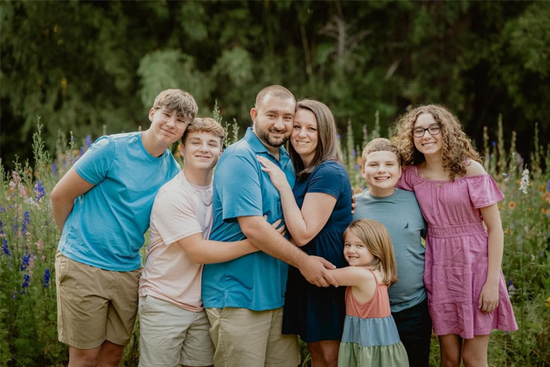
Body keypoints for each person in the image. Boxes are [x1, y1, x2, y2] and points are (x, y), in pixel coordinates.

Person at [51, 89, 197, 367]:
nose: (171, 123)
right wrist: (72, 242)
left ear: (184, 131)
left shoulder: (172, 173)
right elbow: (60, 196)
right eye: (166, 114)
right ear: (152, 114)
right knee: (84, 357)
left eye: (180, 120)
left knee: (112, 356)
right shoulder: (112, 149)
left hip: (128, 271)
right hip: (83, 263)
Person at [201, 86, 339, 367]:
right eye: (272, 115)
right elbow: (253, 228)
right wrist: (305, 263)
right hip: (239, 297)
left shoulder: (287, 162)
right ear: (254, 114)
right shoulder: (240, 158)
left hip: (277, 298)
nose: (280, 125)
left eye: (287, 118)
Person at [138, 118, 286, 367]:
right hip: (166, 300)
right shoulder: (174, 194)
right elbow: (199, 251)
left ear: (221, 151)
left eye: (212, 144)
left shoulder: (221, 188)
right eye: (195, 142)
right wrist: (260, 242)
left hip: (202, 303)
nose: (204, 149)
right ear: (181, 149)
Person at [394, 104, 518, 367]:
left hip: (477, 268)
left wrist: (491, 283)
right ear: (411, 136)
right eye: (418, 130)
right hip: (439, 269)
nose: (426, 135)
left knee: (472, 358)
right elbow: (381, 190)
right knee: (449, 360)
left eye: (433, 128)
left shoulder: (470, 170)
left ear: (445, 131)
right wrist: (353, 202)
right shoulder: (411, 175)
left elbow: (495, 229)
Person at [257, 99, 352, 367]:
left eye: (311, 128)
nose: (301, 134)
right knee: (317, 353)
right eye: (296, 126)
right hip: (304, 270)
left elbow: (302, 234)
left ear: (325, 133)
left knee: (332, 357)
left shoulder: (328, 171)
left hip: (326, 269)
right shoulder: (300, 172)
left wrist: (282, 186)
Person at [352, 138, 431, 367]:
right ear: (363, 169)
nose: (381, 170)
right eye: (374, 165)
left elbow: (438, 242)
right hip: (368, 308)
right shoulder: (352, 207)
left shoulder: (417, 202)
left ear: (400, 170)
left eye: (389, 164)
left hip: (412, 306)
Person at [331, 219, 409, 367]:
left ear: (376, 249)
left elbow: (322, 276)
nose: (351, 250)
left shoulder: (361, 275)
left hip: (369, 344)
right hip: (378, 341)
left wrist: (298, 253)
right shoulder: (375, 272)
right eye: (348, 244)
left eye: (359, 246)